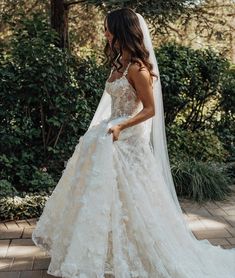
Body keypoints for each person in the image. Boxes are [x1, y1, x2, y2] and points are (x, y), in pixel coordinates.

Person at [32, 8, 235, 278]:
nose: (105, 33)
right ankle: (104, 248)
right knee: (106, 193)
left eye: (108, 28)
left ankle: (140, 249)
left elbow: (149, 109)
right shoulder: (119, 63)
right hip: (112, 132)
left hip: (127, 137)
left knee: (134, 195)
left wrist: (120, 126)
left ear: (122, 31)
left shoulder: (138, 67)